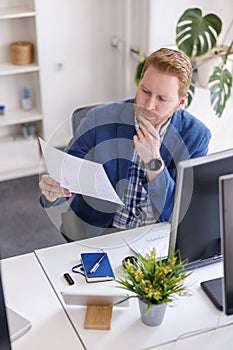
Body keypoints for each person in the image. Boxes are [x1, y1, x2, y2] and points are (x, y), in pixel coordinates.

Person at [39, 47, 211, 240]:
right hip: (101, 231)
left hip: (156, 236)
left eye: (162, 99)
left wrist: (153, 161)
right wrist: (52, 192)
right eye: (145, 91)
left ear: (180, 103)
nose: (148, 105)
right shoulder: (99, 118)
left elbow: (177, 211)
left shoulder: (196, 136)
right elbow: (66, 175)